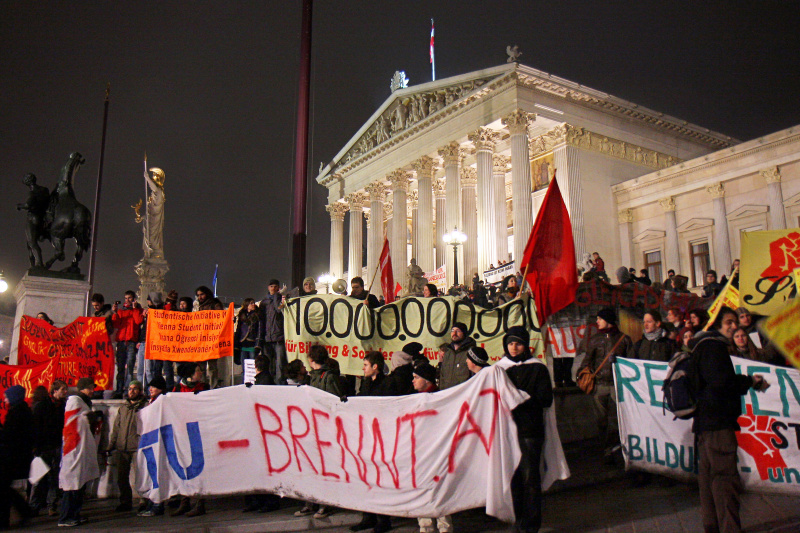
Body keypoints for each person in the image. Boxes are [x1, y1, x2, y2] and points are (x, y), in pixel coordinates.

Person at [690, 306, 769, 533]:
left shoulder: (700, 346)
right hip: (717, 423)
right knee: (725, 479)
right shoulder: (714, 348)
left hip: (705, 423)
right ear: (717, 325)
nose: (735, 326)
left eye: (736, 322)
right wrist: (748, 382)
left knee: (708, 480)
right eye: (729, 322)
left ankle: (712, 526)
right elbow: (721, 382)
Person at [496, 326, 554, 533]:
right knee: (513, 478)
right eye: (510, 343)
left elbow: (545, 399)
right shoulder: (499, 369)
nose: (513, 347)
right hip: (508, 432)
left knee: (530, 478)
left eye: (518, 343)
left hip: (530, 431)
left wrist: (520, 399)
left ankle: (530, 524)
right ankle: (518, 519)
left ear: (525, 345)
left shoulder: (538, 368)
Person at [576, 308, 633, 463]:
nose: (597, 322)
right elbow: (587, 361)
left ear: (608, 320)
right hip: (599, 386)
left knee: (618, 419)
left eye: (600, 319)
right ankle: (606, 449)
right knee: (601, 421)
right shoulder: (595, 340)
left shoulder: (624, 339)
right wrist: (581, 374)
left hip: (617, 385)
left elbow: (632, 363)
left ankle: (619, 448)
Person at [296, 346, 343, 519]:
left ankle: (325, 503)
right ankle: (310, 502)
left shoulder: (328, 378)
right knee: (310, 466)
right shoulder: (312, 378)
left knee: (325, 468)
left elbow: (336, 403)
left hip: (324, 430)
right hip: (312, 428)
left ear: (312, 360)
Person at [349, 351, 393, 533]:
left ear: (375, 367)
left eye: (365, 365)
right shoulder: (366, 383)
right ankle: (368, 517)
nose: (363, 368)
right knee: (365, 477)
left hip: (381, 437)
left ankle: (383, 519)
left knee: (380, 479)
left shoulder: (388, 384)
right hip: (366, 436)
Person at [412, 363, 449, 533]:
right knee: (423, 489)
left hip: (435, 452)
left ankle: (442, 526)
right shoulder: (416, 398)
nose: (413, 381)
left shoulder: (439, 398)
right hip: (421, 452)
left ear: (426, 380)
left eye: (416, 377)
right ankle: (427, 526)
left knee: (438, 490)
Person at [59, 378, 101, 527]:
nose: (92, 391)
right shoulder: (75, 402)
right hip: (74, 449)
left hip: (80, 449)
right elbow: (73, 423)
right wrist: (90, 418)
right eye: (90, 388)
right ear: (82, 388)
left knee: (79, 484)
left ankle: (74, 514)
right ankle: (65, 517)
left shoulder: (83, 403)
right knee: (72, 486)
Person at [242, 355, 281, 513]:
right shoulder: (268, 381)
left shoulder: (261, 382)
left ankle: (262, 501)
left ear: (256, 367)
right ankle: (263, 501)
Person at [171, 363, 209, 517]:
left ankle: (200, 503)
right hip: (183, 433)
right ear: (191, 374)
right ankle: (185, 501)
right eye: (199, 370)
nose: (201, 372)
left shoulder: (204, 387)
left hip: (200, 432)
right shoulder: (178, 389)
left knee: (201, 470)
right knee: (184, 467)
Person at [107, 380, 148, 512]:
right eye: (130, 388)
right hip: (122, 447)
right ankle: (125, 501)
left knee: (140, 476)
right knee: (122, 477)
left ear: (140, 391)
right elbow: (116, 428)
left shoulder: (145, 407)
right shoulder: (123, 408)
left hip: (136, 447)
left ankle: (143, 501)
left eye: (135, 389)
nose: (132, 391)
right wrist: (111, 444)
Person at [29, 380, 68, 516]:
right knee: (38, 478)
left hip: (57, 446)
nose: (65, 392)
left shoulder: (63, 406)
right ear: (54, 391)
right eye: (63, 389)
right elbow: (35, 427)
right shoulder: (42, 406)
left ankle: (52, 505)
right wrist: (36, 446)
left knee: (55, 478)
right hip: (43, 447)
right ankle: (34, 507)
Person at [0, 385, 34, 529]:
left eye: (7, 396)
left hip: (12, 458)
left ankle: (5, 520)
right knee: (5, 488)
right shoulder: (20, 411)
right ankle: (24, 510)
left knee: (3, 489)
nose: (5, 399)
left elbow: (10, 436)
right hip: (15, 457)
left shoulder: (17, 413)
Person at [138, 377, 168, 517]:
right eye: (150, 387)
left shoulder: (162, 402)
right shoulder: (151, 402)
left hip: (159, 442)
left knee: (158, 473)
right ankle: (152, 501)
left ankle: (157, 504)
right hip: (150, 441)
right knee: (151, 474)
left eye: (154, 387)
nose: (150, 389)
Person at [112, 291, 144, 397]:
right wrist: (115, 313)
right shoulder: (121, 311)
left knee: (130, 367)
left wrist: (135, 309)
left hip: (131, 342)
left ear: (134, 299)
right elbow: (116, 324)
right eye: (126, 298)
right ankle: (119, 390)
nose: (127, 300)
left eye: (129, 298)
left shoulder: (138, 310)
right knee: (120, 367)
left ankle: (128, 390)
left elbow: (138, 321)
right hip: (121, 342)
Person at [259, 279, 287, 385]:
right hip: (267, 338)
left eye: (276, 286)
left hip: (279, 337)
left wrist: (277, 296)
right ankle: (269, 383)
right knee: (268, 364)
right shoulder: (264, 302)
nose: (273, 288)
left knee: (280, 363)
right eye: (271, 286)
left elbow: (279, 309)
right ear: (268, 288)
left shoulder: (282, 300)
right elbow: (261, 320)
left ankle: (280, 383)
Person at [195, 285, 224, 388]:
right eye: (198, 295)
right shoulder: (200, 306)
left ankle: (213, 386)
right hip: (202, 340)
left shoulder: (214, 304)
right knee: (201, 366)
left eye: (202, 294)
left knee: (212, 366)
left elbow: (220, 319)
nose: (200, 297)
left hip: (212, 339)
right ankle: (202, 386)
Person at [138, 292, 167, 389]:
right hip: (145, 341)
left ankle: (153, 388)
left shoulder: (161, 312)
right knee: (143, 368)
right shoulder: (148, 312)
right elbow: (144, 327)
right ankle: (144, 388)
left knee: (152, 368)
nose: (147, 301)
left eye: (149, 299)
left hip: (155, 342)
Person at [439, 322, 476, 390]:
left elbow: (474, 376)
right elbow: (442, 375)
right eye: (452, 331)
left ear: (464, 333)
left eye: (458, 331)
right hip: (447, 394)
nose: (454, 333)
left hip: (463, 395)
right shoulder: (448, 352)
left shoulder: (470, 353)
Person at [235, 298, 261, 377]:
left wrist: (258, 343)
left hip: (252, 343)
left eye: (253, 303)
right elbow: (239, 329)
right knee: (244, 367)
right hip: (243, 344)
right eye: (251, 303)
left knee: (252, 367)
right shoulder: (242, 316)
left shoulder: (257, 315)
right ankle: (244, 383)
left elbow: (259, 330)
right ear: (247, 305)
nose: (253, 305)